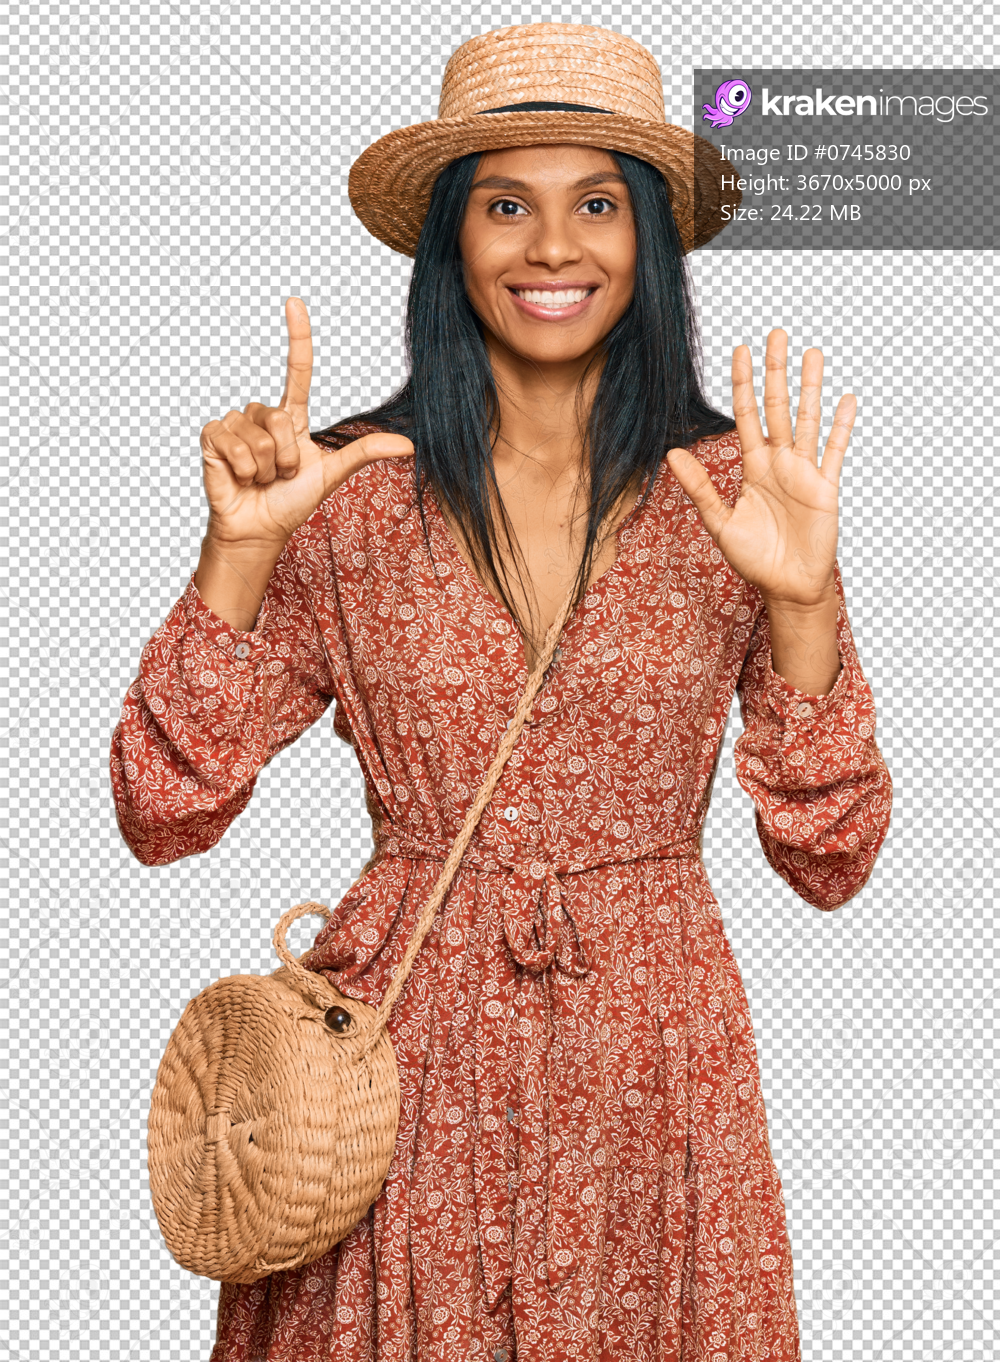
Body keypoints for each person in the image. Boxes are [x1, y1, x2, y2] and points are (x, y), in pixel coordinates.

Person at [111, 22, 892, 1362]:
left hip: (653, 1055)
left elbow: (831, 859)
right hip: (405, 1061)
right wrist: (237, 554)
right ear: (451, 242)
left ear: (647, 235)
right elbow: (161, 810)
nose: (551, 245)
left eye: (596, 201)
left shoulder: (739, 500)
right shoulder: (348, 496)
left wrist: (805, 599)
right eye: (505, 205)